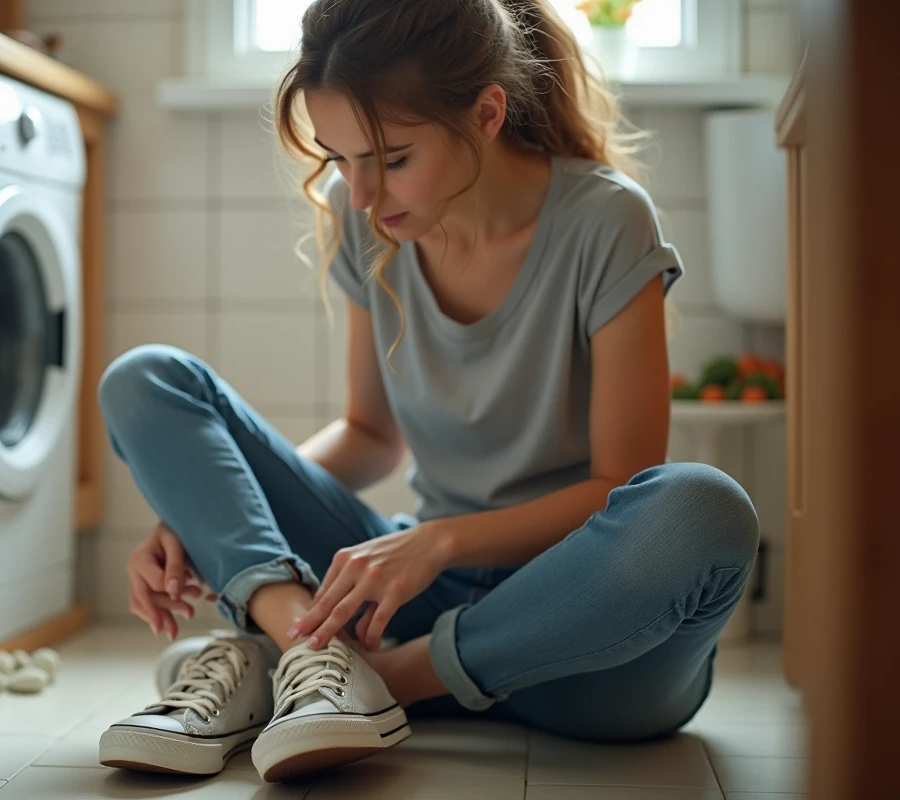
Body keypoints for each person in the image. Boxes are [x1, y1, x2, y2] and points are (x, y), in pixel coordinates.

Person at [95, 0, 760, 785]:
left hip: (584, 640)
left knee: (704, 508)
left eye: (393, 157)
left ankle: (346, 674)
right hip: (416, 598)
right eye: (340, 159)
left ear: (486, 113)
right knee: (146, 379)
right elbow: (369, 433)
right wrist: (204, 505)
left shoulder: (607, 221)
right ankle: (317, 654)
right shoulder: (366, 217)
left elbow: (620, 484)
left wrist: (441, 540)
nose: (364, 192)